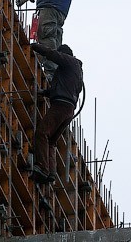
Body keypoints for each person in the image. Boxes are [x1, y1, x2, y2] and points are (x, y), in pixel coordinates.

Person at [29, 43, 83, 184]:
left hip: (61, 105)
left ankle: (42, 168)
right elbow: (65, 88)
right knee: (51, 141)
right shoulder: (75, 72)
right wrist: (46, 93)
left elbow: (53, 55)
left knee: (42, 133)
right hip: (68, 109)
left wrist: (35, 47)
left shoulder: (70, 62)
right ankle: (51, 173)